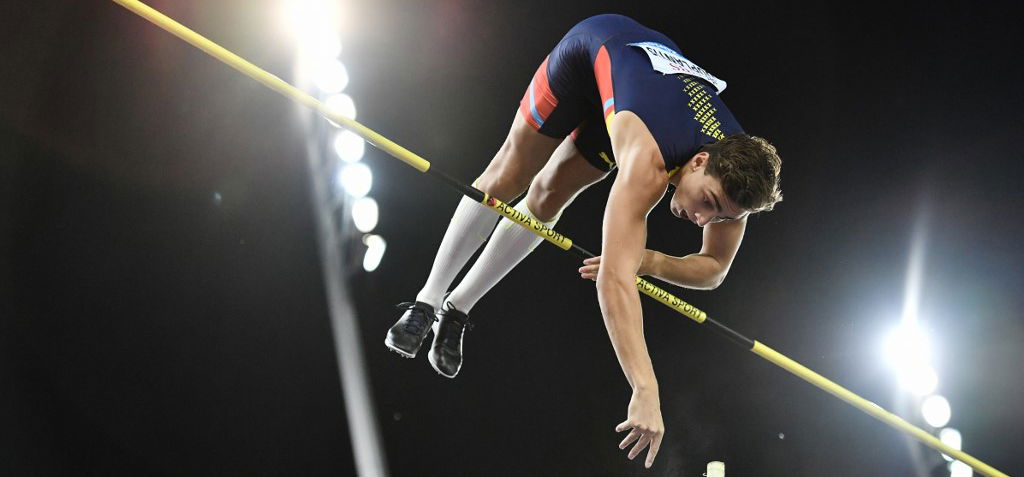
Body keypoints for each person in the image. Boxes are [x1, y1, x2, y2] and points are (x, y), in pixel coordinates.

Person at [385, 14, 782, 468]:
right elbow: (613, 280)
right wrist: (645, 389)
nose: (703, 219)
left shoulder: (736, 187)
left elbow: (713, 269)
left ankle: (457, 308)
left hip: (640, 93)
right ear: (697, 162)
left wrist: (649, 261)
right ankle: (427, 300)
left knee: (547, 199)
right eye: (707, 203)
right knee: (508, 177)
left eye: (721, 215)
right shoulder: (648, 165)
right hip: (595, 49)